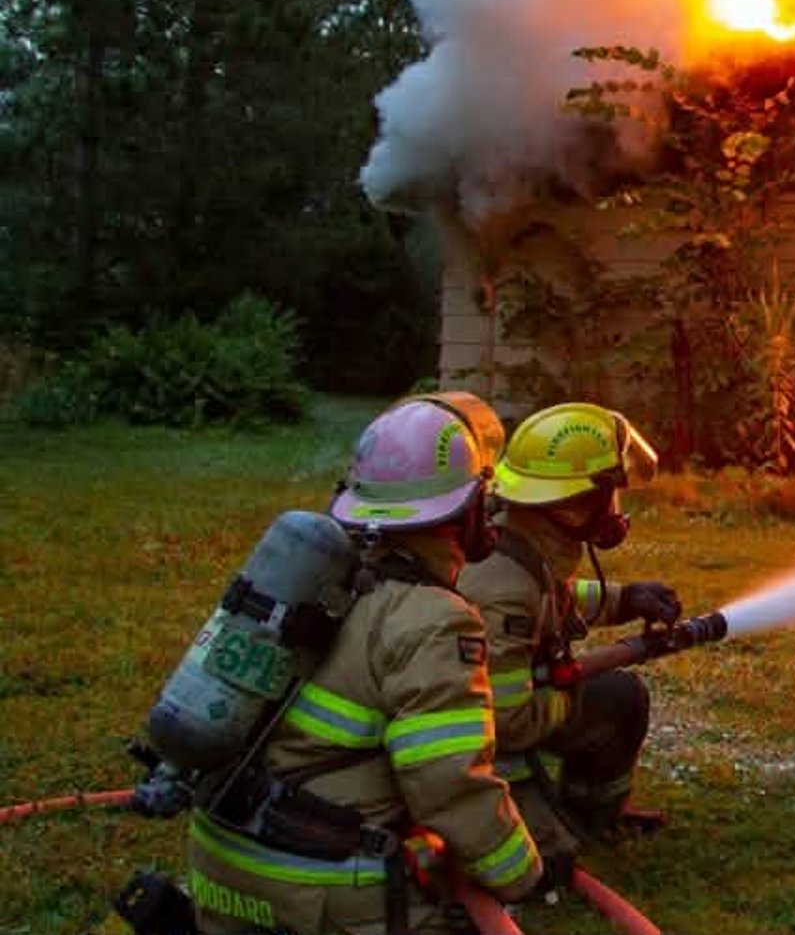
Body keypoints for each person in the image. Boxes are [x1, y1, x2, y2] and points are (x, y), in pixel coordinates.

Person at [186, 394, 543, 934]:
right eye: (482, 496)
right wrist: (521, 874)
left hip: (220, 868)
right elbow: (449, 783)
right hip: (312, 892)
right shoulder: (435, 620)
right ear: (463, 509)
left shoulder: (315, 580)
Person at [457, 401, 681, 866]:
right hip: (479, 744)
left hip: (489, 718)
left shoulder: (520, 532)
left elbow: (554, 598)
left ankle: (586, 809)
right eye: (608, 496)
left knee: (616, 694)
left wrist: (626, 599)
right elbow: (507, 722)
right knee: (621, 698)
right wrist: (566, 695)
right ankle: (582, 813)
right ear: (575, 505)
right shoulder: (505, 591)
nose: (614, 511)